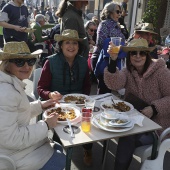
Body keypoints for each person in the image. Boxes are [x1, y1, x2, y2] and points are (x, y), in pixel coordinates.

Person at [104, 39, 170, 170]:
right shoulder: (128, 70)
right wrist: (113, 60)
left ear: (147, 55)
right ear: (129, 56)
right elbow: (114, 84)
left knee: (127, 137)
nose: (138, 56)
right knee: (113, 128)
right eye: (134, 53)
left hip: (157, 128)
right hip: (134, 121)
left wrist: (154, 108)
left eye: (142, 53)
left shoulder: (161, 72)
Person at [0, 41, 66, 170]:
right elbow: (11, 138)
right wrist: (46, 124)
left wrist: (41, 105)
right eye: (19, 61)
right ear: (7, 64)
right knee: (60, 157)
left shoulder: (11, 84)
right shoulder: (6, 92)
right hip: (12, 157)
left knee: (58, 147)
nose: (26, 66)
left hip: (14, 150)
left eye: (30, 61)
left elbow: (18, 113)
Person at [37, 29, 93, 166]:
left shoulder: (83, 62)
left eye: (75, 43)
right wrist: (50, 94)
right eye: (67, 42)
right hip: (57, 106)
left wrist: (84, 101)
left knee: (88, 128)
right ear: (60, 45)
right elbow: (40, 89)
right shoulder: (50, 62)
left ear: (79, 47)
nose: (71, 46)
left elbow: (87, 86)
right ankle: (58, 153)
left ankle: (88, 149)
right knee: (60, 137)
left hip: (79, 105)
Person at [91, 2, 126, 94]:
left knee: (108, 89)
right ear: (110, 12)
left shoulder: (117, 25)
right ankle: (101, 107)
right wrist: (119, 48)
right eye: (117, 11)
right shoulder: (105, 24)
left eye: (120, 12)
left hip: (114, 59)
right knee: (104, 89)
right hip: (103, 58)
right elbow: (101, 43)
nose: (120, 14)